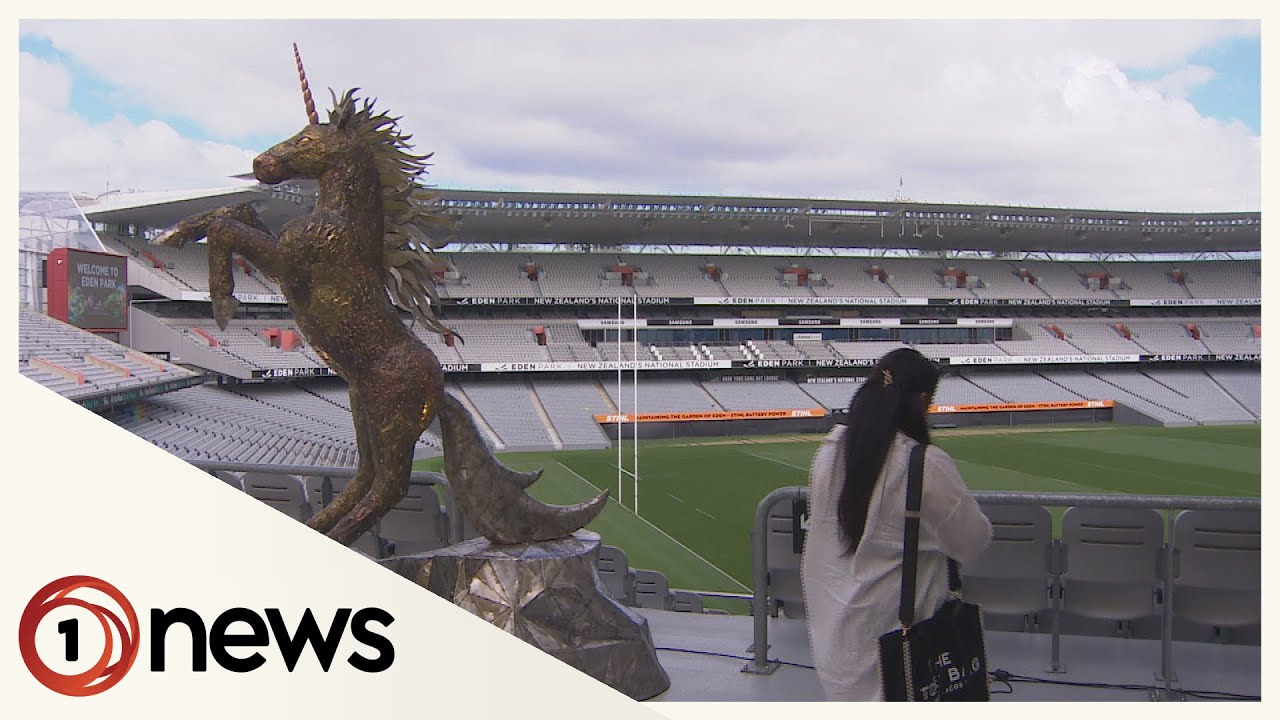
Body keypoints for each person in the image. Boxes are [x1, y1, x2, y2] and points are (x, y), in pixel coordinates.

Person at [801, 348, 992, 701]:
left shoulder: (830, 452)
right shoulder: (923, 464)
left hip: (838, 648)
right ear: (921, 401)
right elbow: (973, 541)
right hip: (901, 652)